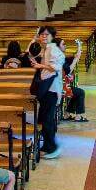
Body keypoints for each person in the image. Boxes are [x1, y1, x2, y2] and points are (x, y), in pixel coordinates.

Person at [30, 26, 63, 158]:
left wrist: (40, 65)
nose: (43, 37)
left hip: (51, 89)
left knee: (47, 120)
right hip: (47, 88)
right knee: (44, 119)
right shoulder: (47, 48)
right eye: (41, 35)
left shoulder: (53, 49)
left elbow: (56, 67)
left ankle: (52, 148)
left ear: (52, 36)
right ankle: (47, 146)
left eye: (46, 35)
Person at [60, 37, 88, 122]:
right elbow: (68, 69)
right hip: (59, 88)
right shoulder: (60, 58)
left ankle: (67, 114)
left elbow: (76, 57)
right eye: (63, 44)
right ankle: (78, 116)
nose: (65, 45)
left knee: (75, 92)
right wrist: (75, 59)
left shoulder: (59, 56)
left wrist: (79, 47)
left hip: (59, 85)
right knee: (80, 92)